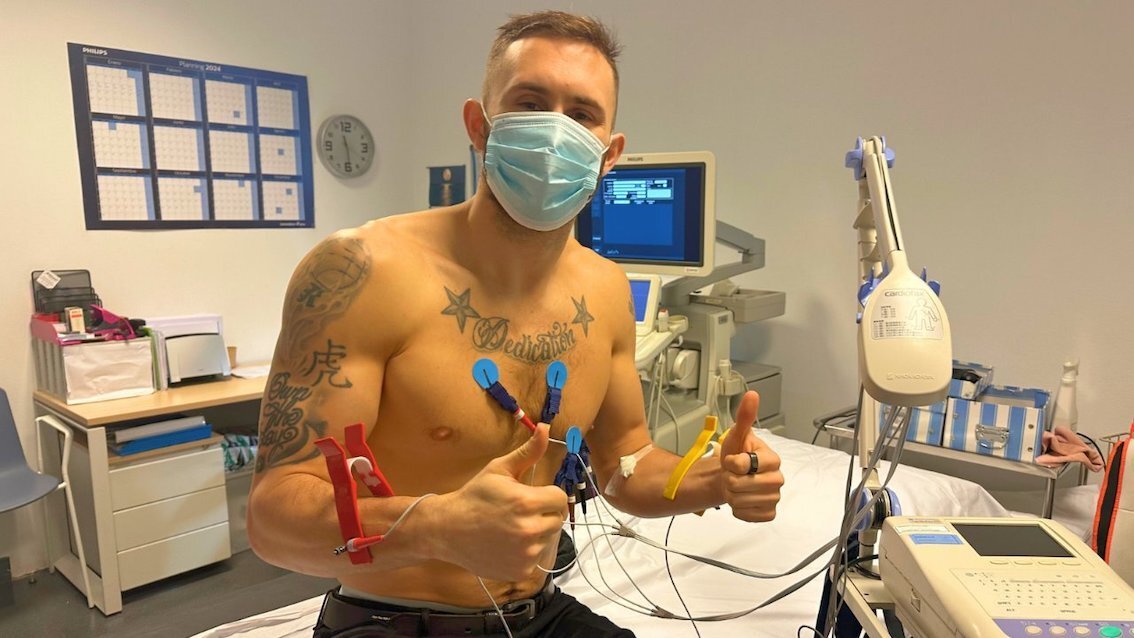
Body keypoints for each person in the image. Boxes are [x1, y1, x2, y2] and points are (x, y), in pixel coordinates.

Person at [247, 10, 784, 637]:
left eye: (581, 114)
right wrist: (437, 527)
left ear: (609, 155)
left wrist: (716, 479)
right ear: (479, 125)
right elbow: (272, 519)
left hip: (537, 613)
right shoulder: (362, 272)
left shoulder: (605, 290)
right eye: (530, 103)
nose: (555, 133)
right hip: (396, 621)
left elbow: (625, 467)